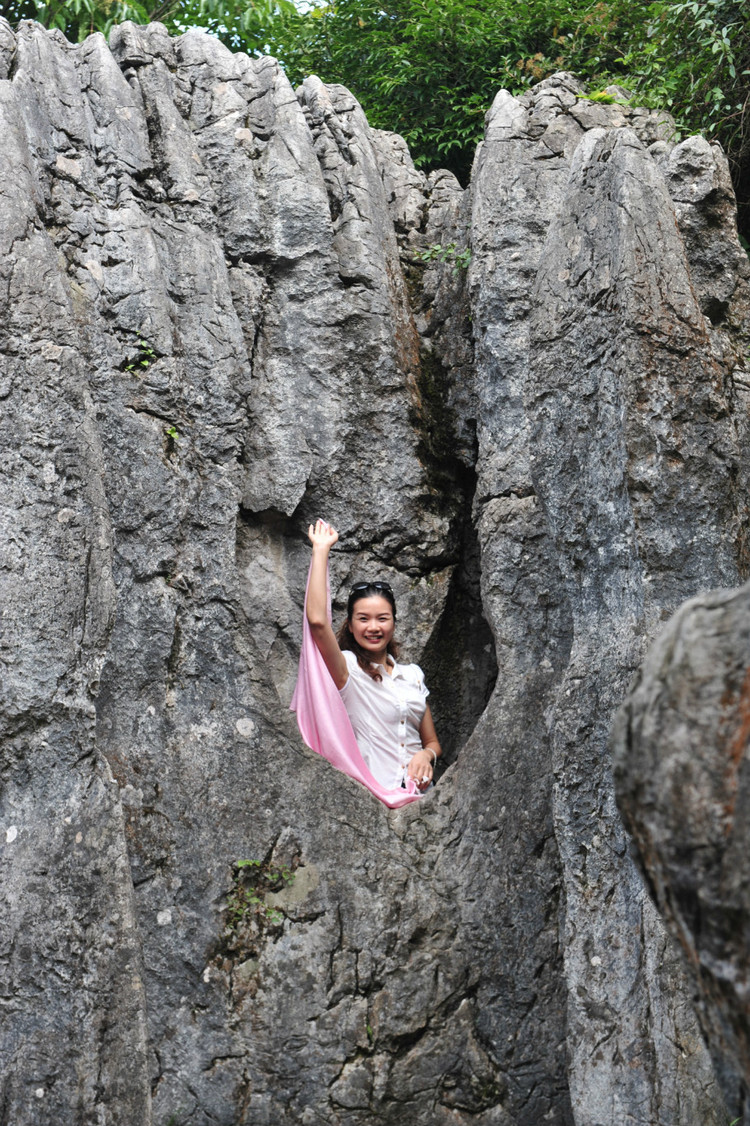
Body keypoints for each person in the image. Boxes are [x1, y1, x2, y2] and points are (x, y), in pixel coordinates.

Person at [305, 519, 441, 793]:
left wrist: (426, 756)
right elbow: (318, 622)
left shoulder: (413, 675)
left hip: (424, 796)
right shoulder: (348, 669)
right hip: (376, 795)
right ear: (351, 625)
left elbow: (432, 742)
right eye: (363, 619)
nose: (374, 627)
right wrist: (321, 550)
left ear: (393, 622)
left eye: (382, 618)